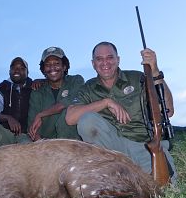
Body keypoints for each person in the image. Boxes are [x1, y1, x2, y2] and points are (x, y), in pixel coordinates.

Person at [66, 41, 177, 183]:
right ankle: (110, 172)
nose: (105, 62)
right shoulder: (88, 87)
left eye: (110, 57)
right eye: (99, 59)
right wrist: (105, 102)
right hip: (111, 151)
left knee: (166, 187)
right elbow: (70, 117)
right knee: (87, 120)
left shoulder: (138, 78)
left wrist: (155, 72)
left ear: (118, 60)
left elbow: (169, 110)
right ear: (93, 63)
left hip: (143, 145)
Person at [28, 46, 85, 141]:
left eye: (57, 63)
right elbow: (32, 124)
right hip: (47, 144)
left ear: (64, 66)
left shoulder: (76, 81)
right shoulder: (37, 92)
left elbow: (66, 103)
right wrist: (41, 143)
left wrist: (41, 114)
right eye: (47, 64)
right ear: (43, 69)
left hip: (74, 143)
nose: (52, 67)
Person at [0, 57, 33, 154]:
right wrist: (8, 118)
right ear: (9, 71)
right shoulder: (2, 88)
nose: (17, 70)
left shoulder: (34, 87)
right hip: (6, 135)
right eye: (14, 68)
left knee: (27, 154)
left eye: (21, 68)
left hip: (26, 136)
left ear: (27, 72)